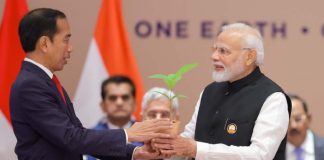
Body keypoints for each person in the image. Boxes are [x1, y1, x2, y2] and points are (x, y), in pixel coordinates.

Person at [10, 8, 172, 160]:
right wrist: (128, 134)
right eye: (66, 39)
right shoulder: (30, 85)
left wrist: (134, 152)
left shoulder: (44, 81)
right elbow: (70, 138)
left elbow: (78, 136)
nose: (70, 48)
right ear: (45, 43)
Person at [152, 23, 292, 160]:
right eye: (214, 49)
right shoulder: (209, 91)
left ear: (249, 57)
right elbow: (190, 136)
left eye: (223, 51)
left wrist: (196, 149)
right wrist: (166, 145)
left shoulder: (273, 98)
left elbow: (259, 155)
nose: (214, 56)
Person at [86, 76, 141, 160]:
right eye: (113, 98)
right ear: (103, 105)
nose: (119, 103)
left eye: (125, 97)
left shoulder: (147, 137)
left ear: (134, 104)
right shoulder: (89, 138)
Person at [286, 94, 324, 160]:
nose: (293, 126)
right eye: (287, 121)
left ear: (309, 119)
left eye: (298, 119)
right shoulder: (273, 153)